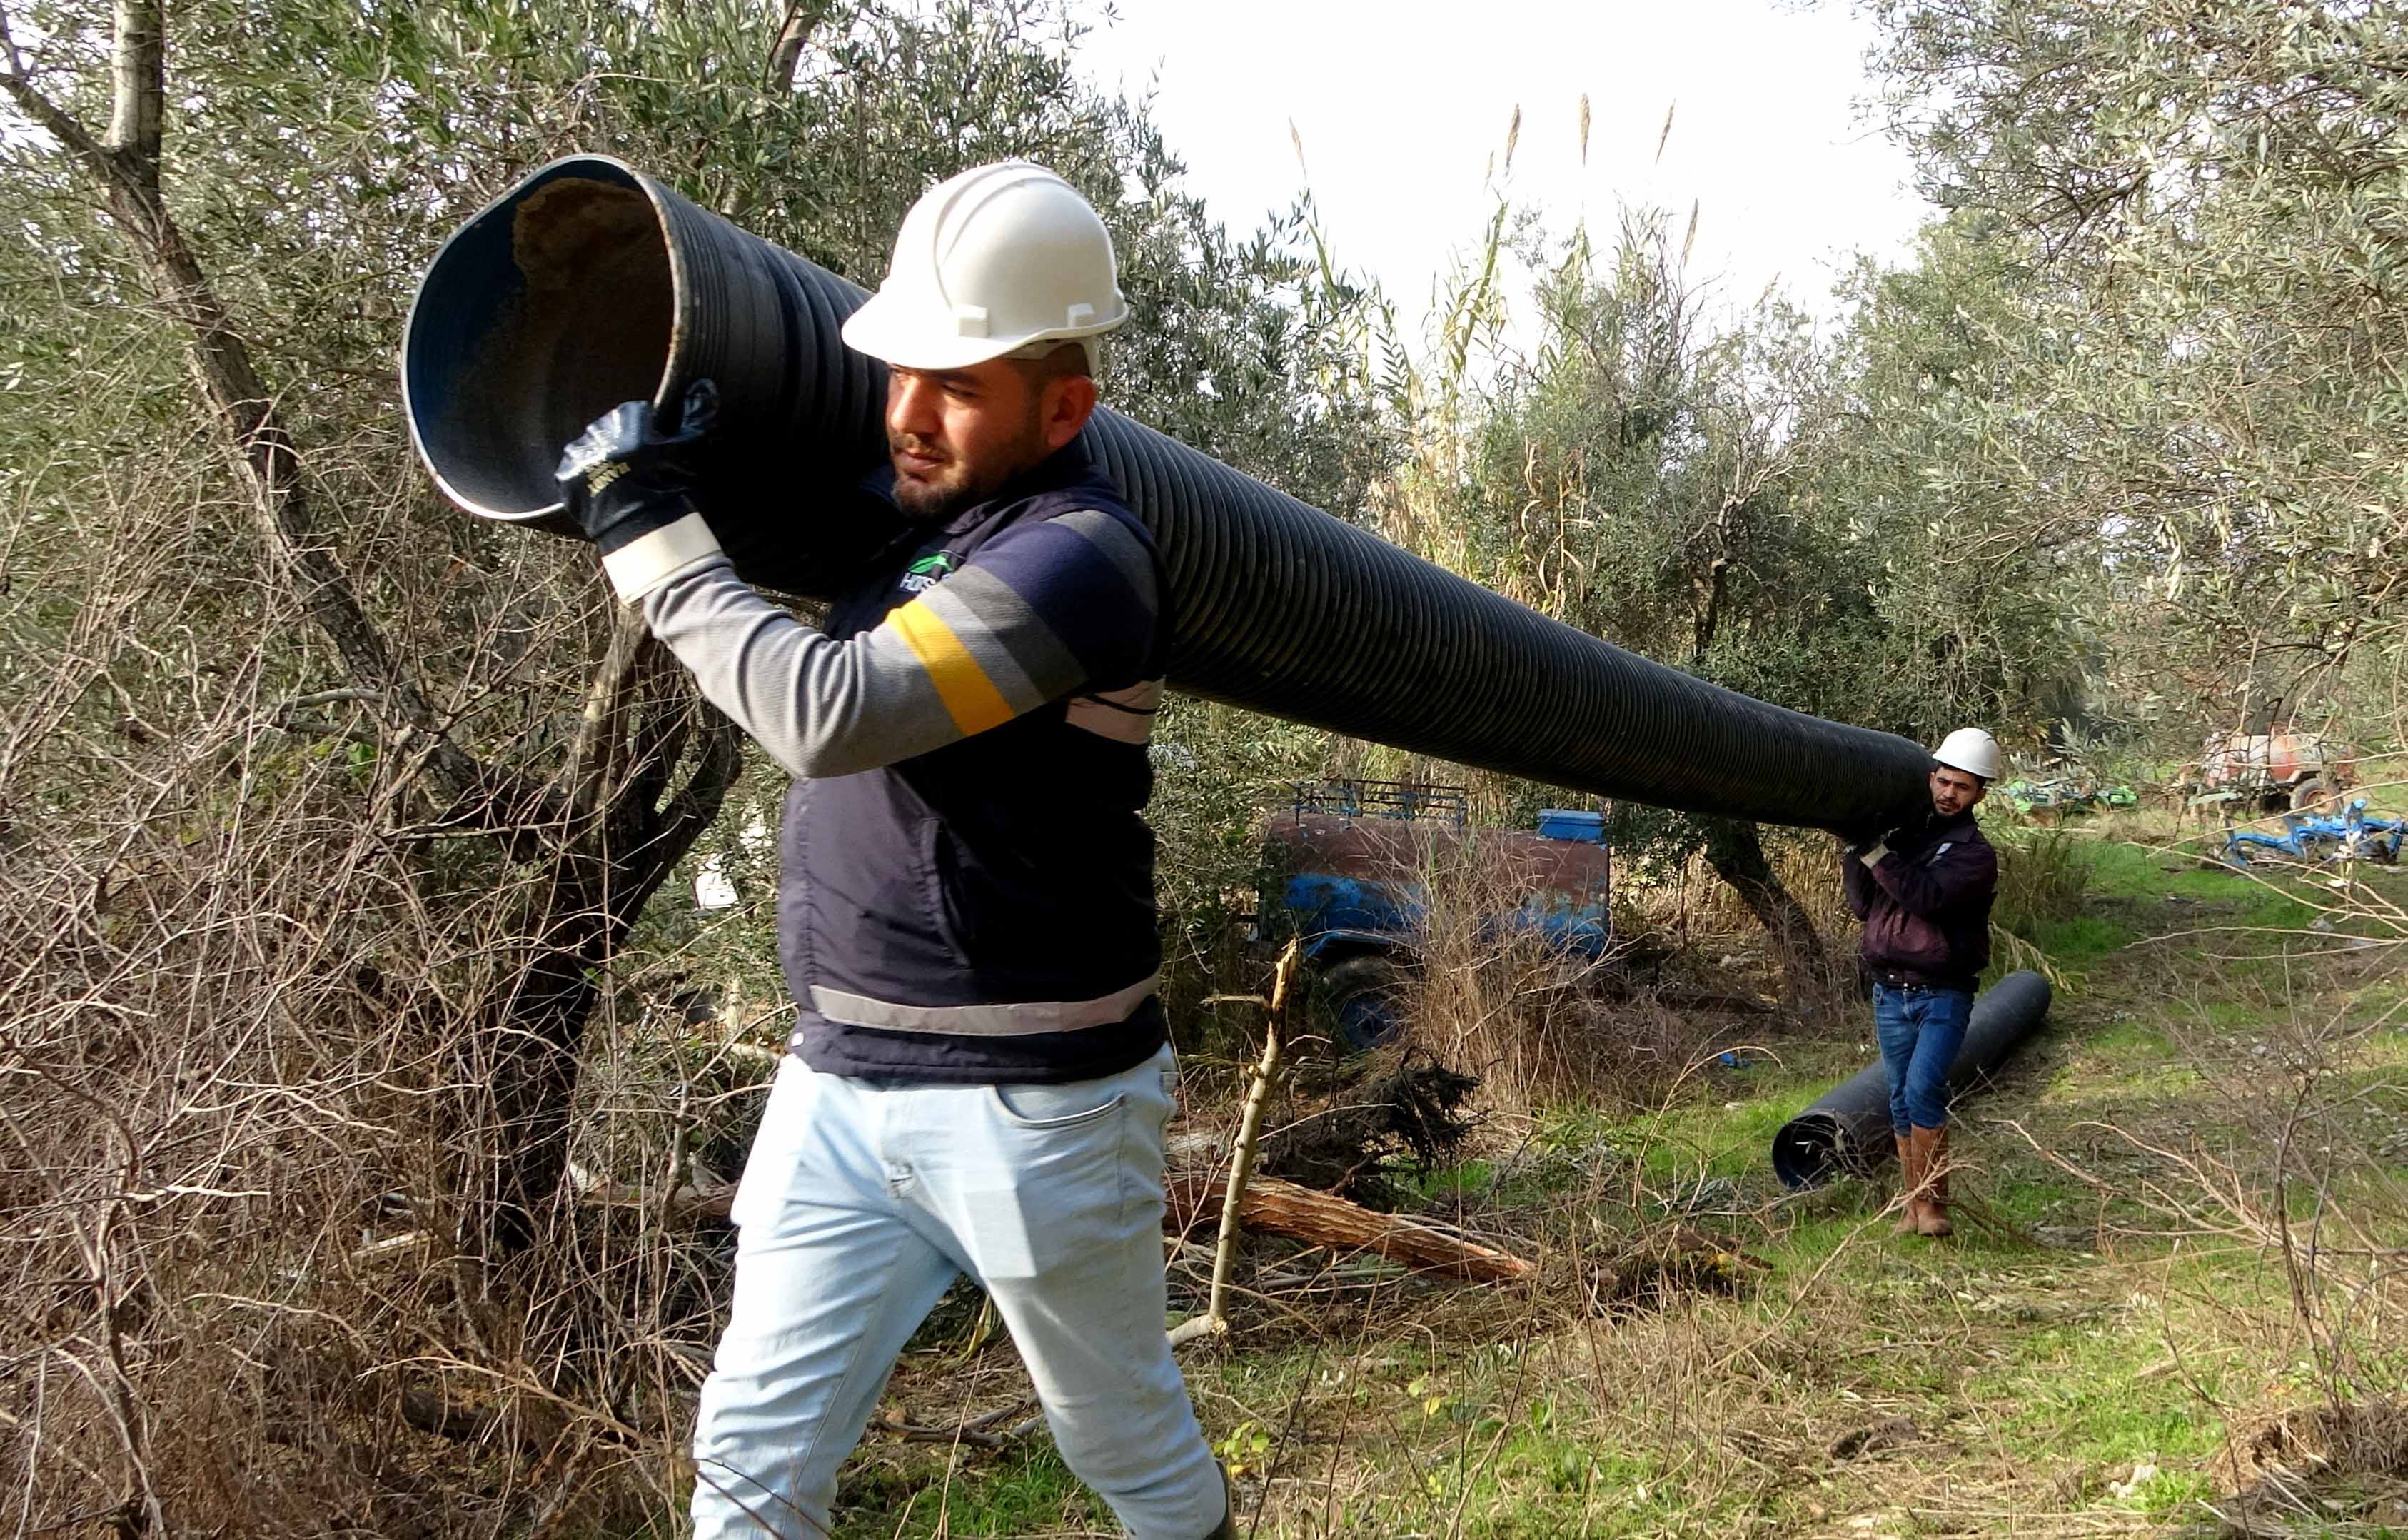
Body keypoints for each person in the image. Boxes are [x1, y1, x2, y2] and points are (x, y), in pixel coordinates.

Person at [551, 162, 1231, 1539]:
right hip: (841, 1085)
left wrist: (644, 526)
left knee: (1120, 1439)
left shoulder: (1079, 555)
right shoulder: (921, 517)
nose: (910, 415)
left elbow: (831, 708)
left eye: (959, 387)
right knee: (747, 1452)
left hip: (1035, 1106)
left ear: (1063, 407)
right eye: (897, 373)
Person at [1840, 728, 2002, 1239]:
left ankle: (1933, 1207)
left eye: (1962, 786)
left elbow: (1927, 897)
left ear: (1980, 794)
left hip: (1941, 994)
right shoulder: (1906, 840)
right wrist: (1854, 849)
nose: (1948, 793)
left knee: (1922, 1088)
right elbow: (1864, 907)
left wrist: (1874, 853)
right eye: (1943, 780)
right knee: (1898, 1098)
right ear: (1930, 777)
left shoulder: (1974, 855)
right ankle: (1911, 1208)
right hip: (1890, 991)